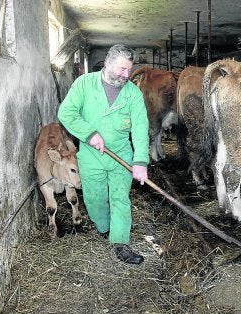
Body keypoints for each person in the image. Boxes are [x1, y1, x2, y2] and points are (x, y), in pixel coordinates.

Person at [58, 44, 149, 264]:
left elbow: (140, 128)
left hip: (121, 155)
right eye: (121, 69)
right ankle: (104, 227)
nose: (126, 75)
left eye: (129, 70)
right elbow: (66, 112)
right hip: (91, 156)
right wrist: (89, 134)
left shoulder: (133, 94)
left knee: (120, 199)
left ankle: (120, 242)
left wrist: (140, 161)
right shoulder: (84, 84)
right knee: (94, 199)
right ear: (107, 63)